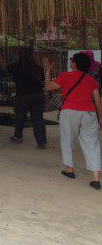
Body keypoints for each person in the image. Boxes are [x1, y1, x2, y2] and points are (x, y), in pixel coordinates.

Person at [43, 52, 102, 190]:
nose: (70, 61)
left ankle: (69, 169)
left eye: (71, 59)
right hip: (89, 113)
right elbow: (97, 101)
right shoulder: (90, 79)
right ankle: (95, 178)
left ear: (74, 63)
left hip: (69, 112)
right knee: (92, 144)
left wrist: (47, 71)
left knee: (67, 139)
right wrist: (100, 117)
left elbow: (48, 87)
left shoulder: (66, 76)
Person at [8, 48, 47, 148]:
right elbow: (42, 81)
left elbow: (4, 68)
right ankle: (41, 142)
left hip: (23, 96)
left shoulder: (17, 67)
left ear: (20, 56)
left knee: (20, 117)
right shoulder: (37, 68)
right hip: (38, 95)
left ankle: (18, 137)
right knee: (38, 119)